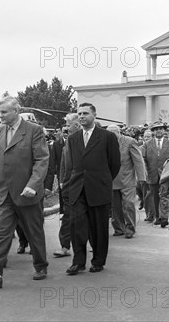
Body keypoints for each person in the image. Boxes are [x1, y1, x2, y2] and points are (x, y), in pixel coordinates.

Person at [0, 96, 50, 288]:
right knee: (1, 233)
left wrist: (33, 185)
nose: (0, 116)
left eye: (4, 112)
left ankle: (41, 265)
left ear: (16, 111)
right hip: (3, 194)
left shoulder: (34, 131)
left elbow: (41, 160)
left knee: (34, 232)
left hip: (27, 193)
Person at [65, 103, 120, 275]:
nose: (81, 116)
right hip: (78, 189)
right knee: (77, 226)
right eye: (79, 113)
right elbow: (72, 164)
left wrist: (103, 180)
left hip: (98, 189)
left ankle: (98, 260)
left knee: (98, 228)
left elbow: (114, 164)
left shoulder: (107, 137)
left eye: (85, 113)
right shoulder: (73, 138)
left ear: (94, 115)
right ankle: (78, 262)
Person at [107, 124, 146, 239]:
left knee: (128, 204)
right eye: (109, 133)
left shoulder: (129, 142)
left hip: (127, 179)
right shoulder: (105, 143)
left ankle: (130, 228)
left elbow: (138, 161)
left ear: (119, 132)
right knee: (115, 206)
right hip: (112, 180)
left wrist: (141, 177)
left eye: (114, 132)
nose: (112, 135)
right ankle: (118, 228)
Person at [54, 121, 82, 257]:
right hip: (68, 186)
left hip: (84, 186)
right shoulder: (67, 144)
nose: (66, 132)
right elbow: (63, 165)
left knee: (85, 218)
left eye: (69, 129)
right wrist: (62, 182)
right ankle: (65, 246)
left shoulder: (85, 143)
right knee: (68, 217)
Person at [142, 122, 169, 226]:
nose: (158, 131)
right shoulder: (147, 144)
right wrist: (145, 171)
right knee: (154, 197)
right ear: (153, 132)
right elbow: (143, 158)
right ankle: (157, 216)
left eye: (160, 129)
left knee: (164, 195)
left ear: (164, 130)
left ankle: (164, 218)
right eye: (156, 129)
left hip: (166, 174)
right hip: (152, 174)